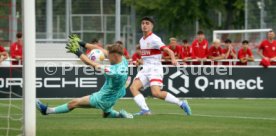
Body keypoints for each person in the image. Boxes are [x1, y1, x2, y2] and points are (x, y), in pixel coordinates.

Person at [36, 34, 133, 119]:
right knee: (106, 114)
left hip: (103, 98)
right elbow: (100, 50)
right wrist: (81, 42)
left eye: (109, 55)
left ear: (115, 56)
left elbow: (90, 63)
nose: (107, 56)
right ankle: (119, 115)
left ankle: (47, 110)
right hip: (114, 95)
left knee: (74, 103)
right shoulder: (123, 59)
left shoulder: (114, 71)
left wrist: (77, 51)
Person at [129, 16, 191, 116]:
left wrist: (173, 59)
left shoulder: (155, 39)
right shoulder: (141, 40)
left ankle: (181, 103)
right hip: (145, 69)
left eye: (147, 23)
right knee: (133, 87)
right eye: (143, 23)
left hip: (155, 69)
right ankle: (145, 110)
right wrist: (139, 62)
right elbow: (147, 57)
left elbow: (169, 50)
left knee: (156, 93)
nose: (144, 25)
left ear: (152, 26)